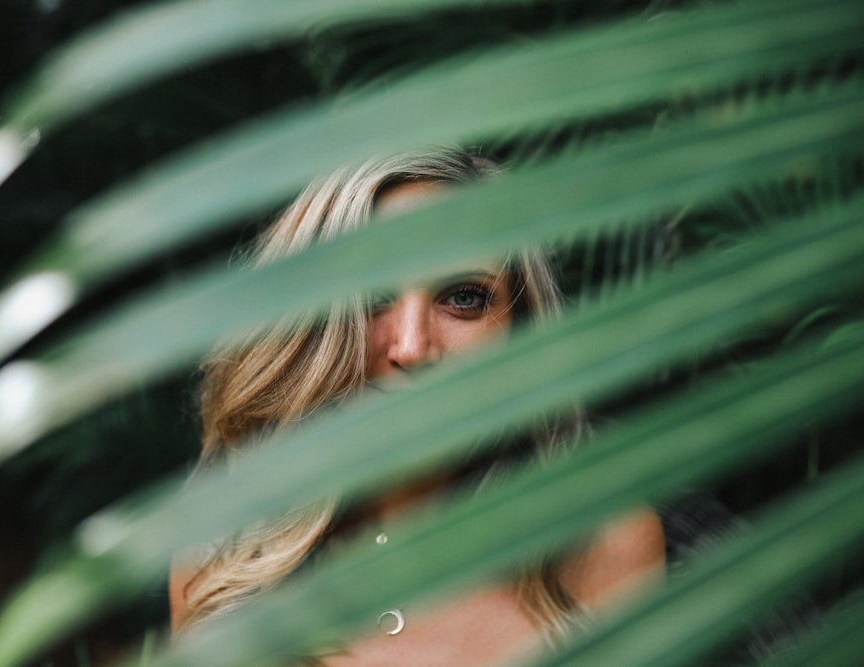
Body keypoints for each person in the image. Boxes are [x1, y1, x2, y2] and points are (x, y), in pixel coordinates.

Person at [169, 148, 666, 665]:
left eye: (464, 299)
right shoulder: (224, 551)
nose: (411, 347)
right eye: (369, 295)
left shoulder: (600, 544)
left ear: (521, 330)